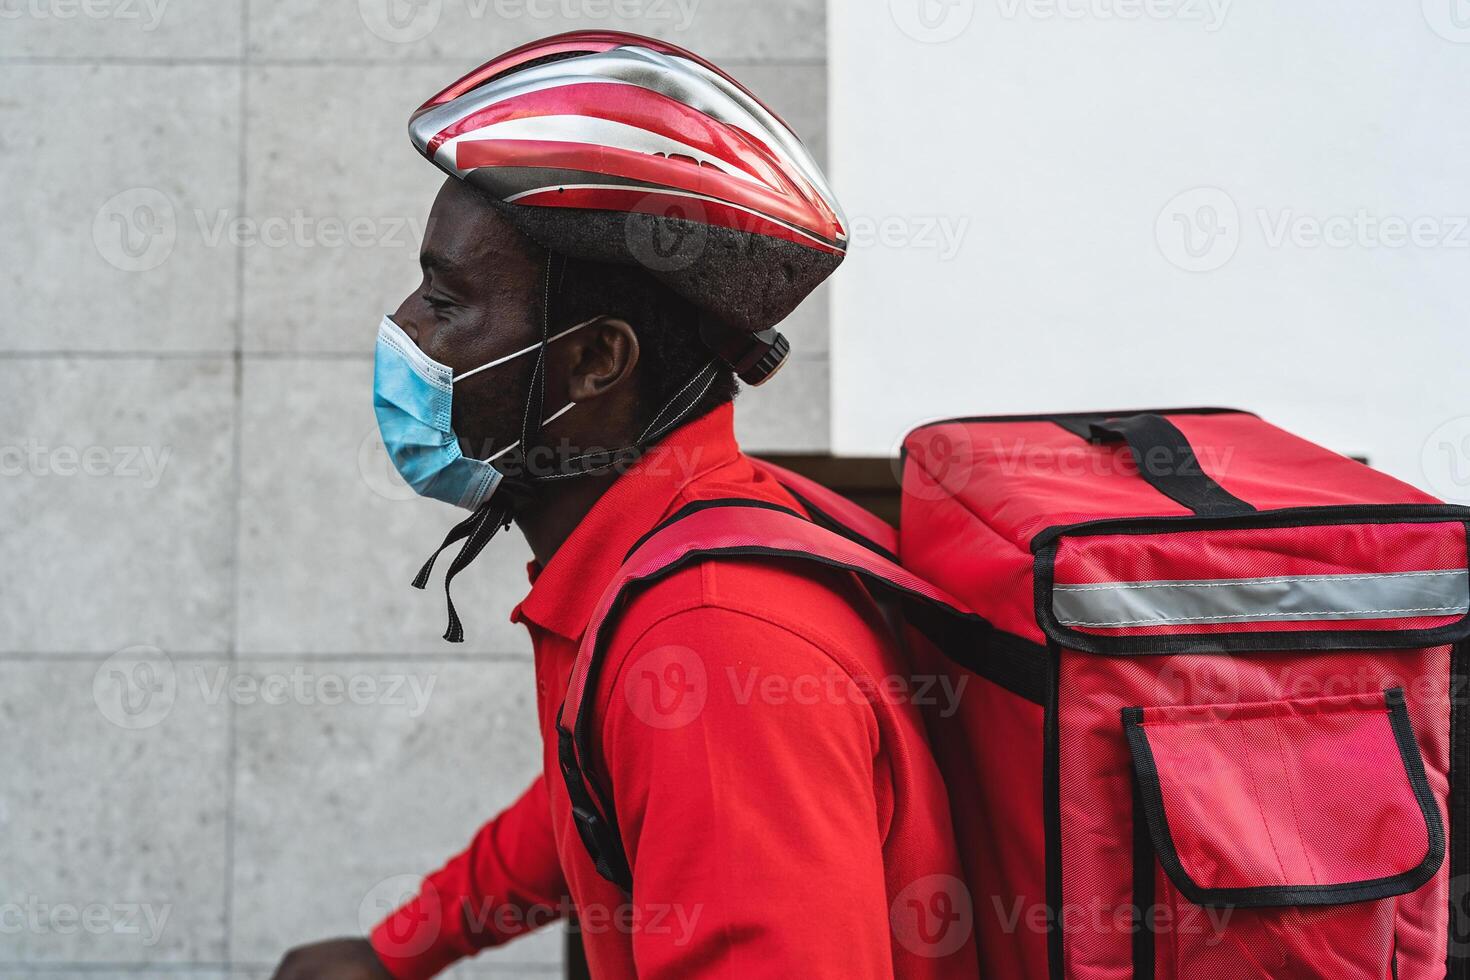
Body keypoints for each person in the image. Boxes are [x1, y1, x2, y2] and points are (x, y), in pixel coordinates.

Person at [271, 32, 974, 980]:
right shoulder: (688, 542)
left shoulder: (717, 644)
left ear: (596, 361)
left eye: (446, 298)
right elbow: (591, 793)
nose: (407, 329)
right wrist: (404, 946)